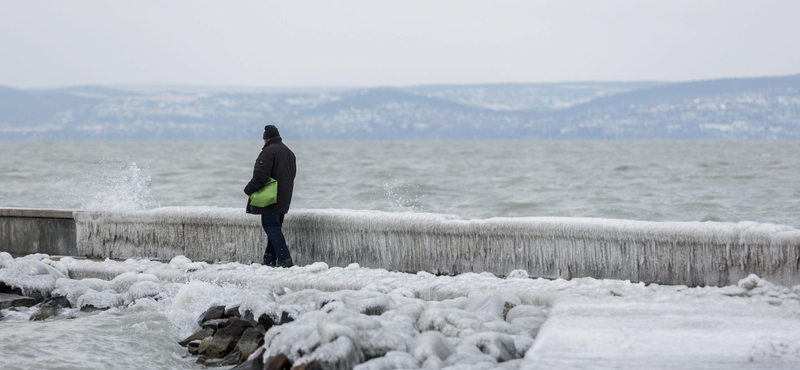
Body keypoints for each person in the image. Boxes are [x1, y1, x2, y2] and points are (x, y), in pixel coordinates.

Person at [244, 125, 297, 267]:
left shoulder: (268, 152)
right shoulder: (289, 152)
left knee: (271, 226)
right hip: (284, 197)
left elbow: (260, 176)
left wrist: (249, 189)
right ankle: (269, 261)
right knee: (275, 227)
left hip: (270, 199)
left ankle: (285, 259)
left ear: (266, 140)